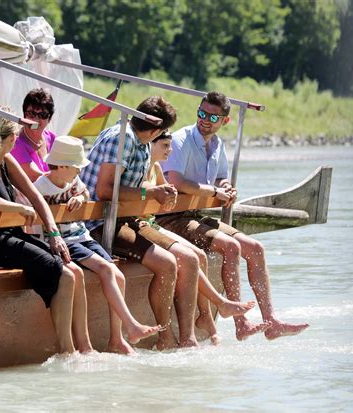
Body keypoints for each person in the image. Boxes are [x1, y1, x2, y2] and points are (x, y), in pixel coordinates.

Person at [158, 91, 309, 341]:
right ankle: (242, 323)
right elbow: (176, 180)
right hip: (171, 218)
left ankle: (271, 321)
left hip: (196, 215)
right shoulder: (181, 139)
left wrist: (225, 186)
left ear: (224, 121)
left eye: (212, 116)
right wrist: (215, 191)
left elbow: (220, 176)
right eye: (201, 113)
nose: (204, 119)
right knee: (230, 247)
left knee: (256, 248)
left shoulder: (217, 145)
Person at [0, 112, 93, 355]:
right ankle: (67, 351)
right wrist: (20, 208)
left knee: (69, 272)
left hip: (10, 235)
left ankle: (77, 349)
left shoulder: (6, 159)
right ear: (13, 138)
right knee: (63, 274)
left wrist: (54, 235)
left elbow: (36, 197)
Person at [81, 96, 199, 350]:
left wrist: (159, 189)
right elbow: (105, 190)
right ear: (156, 130)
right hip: (99, 222)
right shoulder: (120, 139)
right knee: (167, 264)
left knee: (189, 258)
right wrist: (149, 194)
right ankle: (165, 338)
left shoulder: (143, 142)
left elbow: (135, 186)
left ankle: (188, 338)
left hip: (127, 218)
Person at [34, 135, 161, 355]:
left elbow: (84, 191)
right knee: (105, 269)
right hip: (64, 241)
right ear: (62, 166)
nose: (80, 172)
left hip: (81, 235)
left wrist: (81, 199)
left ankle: (117, 337)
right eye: (77, 168)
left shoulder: (72, 180)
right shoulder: (41, 186)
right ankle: (132, 325)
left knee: (117, 274)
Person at [143, 131, 257, 344]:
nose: (170, 150)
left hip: (156, 221)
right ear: (151, 144)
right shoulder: (141, 167)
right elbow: (155, 192)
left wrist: (170, 194)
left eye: (170, 145)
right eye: (165, 146)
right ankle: (213, 310)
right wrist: (160, 192)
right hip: (149, 224)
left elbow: (168, 195)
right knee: (191, 258)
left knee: (200, 257)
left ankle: (208, 317)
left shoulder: (157, 168)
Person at [10, 88, 57, 182]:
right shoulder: (15, 142)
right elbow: (35, 176)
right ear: (24, 115)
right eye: (31, 113)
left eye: (42, 115)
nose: (35, 119)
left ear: (50, 118)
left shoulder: (52, 138)